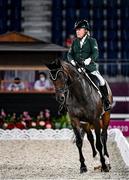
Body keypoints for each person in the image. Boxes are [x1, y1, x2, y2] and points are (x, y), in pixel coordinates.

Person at [67, 19, 111, 111]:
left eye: (79, 29)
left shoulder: (92, 41)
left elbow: (95, 53)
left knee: (101, 81)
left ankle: (106, 101)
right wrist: (72, 61)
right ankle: (65, 103)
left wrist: (89, 60)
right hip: (77, 69)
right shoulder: (75, 42)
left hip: (90, 68)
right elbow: (69, 54)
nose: (77, 31)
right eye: (76, 30)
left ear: (86, 30)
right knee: (66, 81)